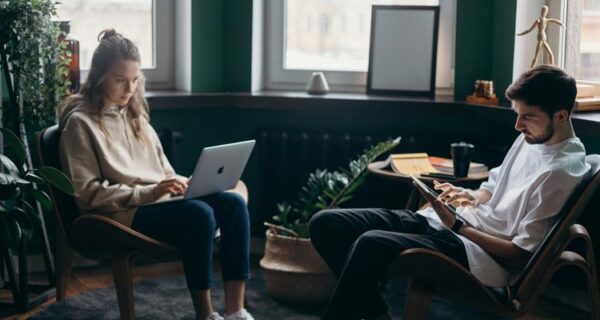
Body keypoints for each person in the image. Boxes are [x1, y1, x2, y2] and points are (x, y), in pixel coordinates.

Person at [308, 64, 590, 320]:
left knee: (370, 242)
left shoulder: (559, 172)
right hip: (453, 224)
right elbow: (493, 187)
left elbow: (518, 255)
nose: (518, 126)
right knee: (325, 223)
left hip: (475, 251)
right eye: (517, 115)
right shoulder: (530, 139)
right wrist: (470, 197)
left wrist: (457, 225)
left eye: (527, 117)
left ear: (562, 116)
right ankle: (377, 315)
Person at [58, 29, 254, 320]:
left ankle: (236, 311)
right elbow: (89, 196)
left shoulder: (137, 117)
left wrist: (183, 184)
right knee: (199, 215)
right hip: (120, 214)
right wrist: (150, 192)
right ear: (98, 76)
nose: (129, 88)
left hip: (156, 203)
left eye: (135, 80)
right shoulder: (80, 125)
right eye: (120, 80)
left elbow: (163, 172)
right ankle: (206, 314)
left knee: (233, 204)